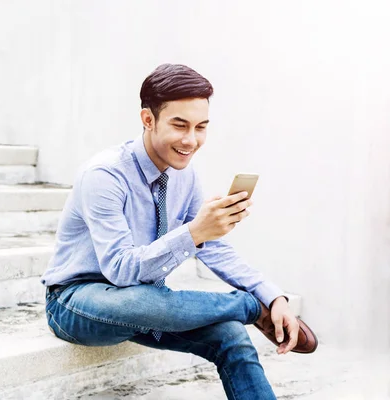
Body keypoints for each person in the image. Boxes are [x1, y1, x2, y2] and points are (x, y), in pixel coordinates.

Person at [40, 63, 317, 399]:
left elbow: (211, 247)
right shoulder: (105, 176)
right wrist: (196, 234)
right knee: (148, 302)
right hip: (77, 301)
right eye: (180, 125)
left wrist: (271, 294)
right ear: (148, 120)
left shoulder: (185, 175)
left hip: (148, 301)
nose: (191, 140)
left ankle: (251, 310)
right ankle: (248, 308)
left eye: (201, 127)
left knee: (231, 336)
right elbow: (121, 270)